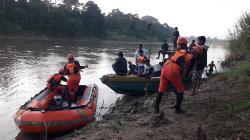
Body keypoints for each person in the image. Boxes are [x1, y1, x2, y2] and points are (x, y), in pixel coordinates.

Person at [154, 37, 193, 114]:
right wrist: (187, 73)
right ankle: (177, 109)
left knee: (161, 90)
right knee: (181, 89)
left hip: (164, 68)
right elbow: (191, 61)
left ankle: (156, 108)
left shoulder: (174, 51)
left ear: (178, 44)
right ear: (185, 45)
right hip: (172, 69)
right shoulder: (185, 52)